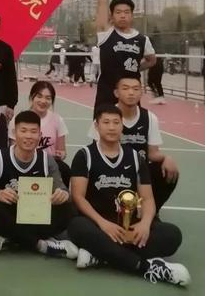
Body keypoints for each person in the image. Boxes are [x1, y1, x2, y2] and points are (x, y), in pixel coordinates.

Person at [68, 105, 190, 286]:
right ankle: (145, 267)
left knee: (172, 235)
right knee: (77, 227)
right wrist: (103, 224)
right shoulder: (84, 155)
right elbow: (78, 197)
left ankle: (100, 254)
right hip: (98, 225)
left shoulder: (135, 157)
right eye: (106, 122)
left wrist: (145, 224)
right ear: (96, 126)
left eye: (116, 122)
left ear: (122, 126)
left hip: (129, 227)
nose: (111, 127)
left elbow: (147, 198)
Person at [0, 111, 77, 258]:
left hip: (37, 215)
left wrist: (62, 195)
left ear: (40, 134)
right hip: (11, 212)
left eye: (33, 131)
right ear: (14, 133)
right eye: (23, 131)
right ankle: (41, 244)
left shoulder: (47, 160)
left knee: (69, 209)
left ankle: (12, 238)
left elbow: (63, 190)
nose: (28, 136)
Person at [87, 75, 178, 211]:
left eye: (136, 89)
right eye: (125, 88)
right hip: (111, 171)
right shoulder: (105, 117)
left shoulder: (150, 118)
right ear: (116, 93)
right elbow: (96, 152)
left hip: (139, 171)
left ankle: (152, 211)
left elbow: (152, 153)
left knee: (167, 171)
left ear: (141, 93)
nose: (131, 93)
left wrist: (167, 158)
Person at [95, 0, 156, 111]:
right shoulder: (105, 34)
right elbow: (102, 2)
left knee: (131, 126)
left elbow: (151, 60)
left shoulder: (142, 40)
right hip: (107, 95)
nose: (122, 15)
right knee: (105, 126)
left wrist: (135, 69)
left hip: (130, 97)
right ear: (111, 16)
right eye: (118, 12)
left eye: (126, 12)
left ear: (132, 15)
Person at [10, 81, 71, 186]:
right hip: (25, 164)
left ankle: (60, 194)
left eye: (48, 98)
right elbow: (12, 148)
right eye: (39, 96)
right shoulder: (18, 119)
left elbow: (62, 151)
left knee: (64, 169)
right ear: (31, 97)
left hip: (48, 164)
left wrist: (60, 155)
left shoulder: (57, 120)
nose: (43, 101)